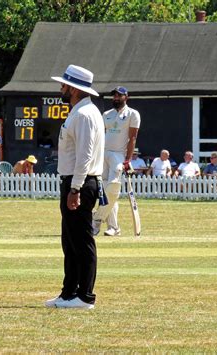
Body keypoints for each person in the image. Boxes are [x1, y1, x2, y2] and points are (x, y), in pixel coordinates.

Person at [45, 64, 104, 310]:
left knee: (82, 241)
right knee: (70, 241)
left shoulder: (84, 114)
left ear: (74, 88)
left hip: (80, 181)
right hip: (74, 181)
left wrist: (75, 189)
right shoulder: (80, 111)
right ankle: (69, 292)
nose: (61, 87)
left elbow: (85, 155)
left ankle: (85, 296)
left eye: (65, 84)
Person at [92, 86, 141, 237]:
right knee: (106, 189)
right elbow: (98, 136)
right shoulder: (106, 114)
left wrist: (127, 159)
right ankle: (114, 227)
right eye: (114, 96)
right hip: (103, 154)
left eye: (119, 96)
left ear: (126, 97)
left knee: (113, 186)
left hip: (119, 155)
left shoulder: (133, 114)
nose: (116, 98)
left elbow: (132, 138)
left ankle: (97, 219)